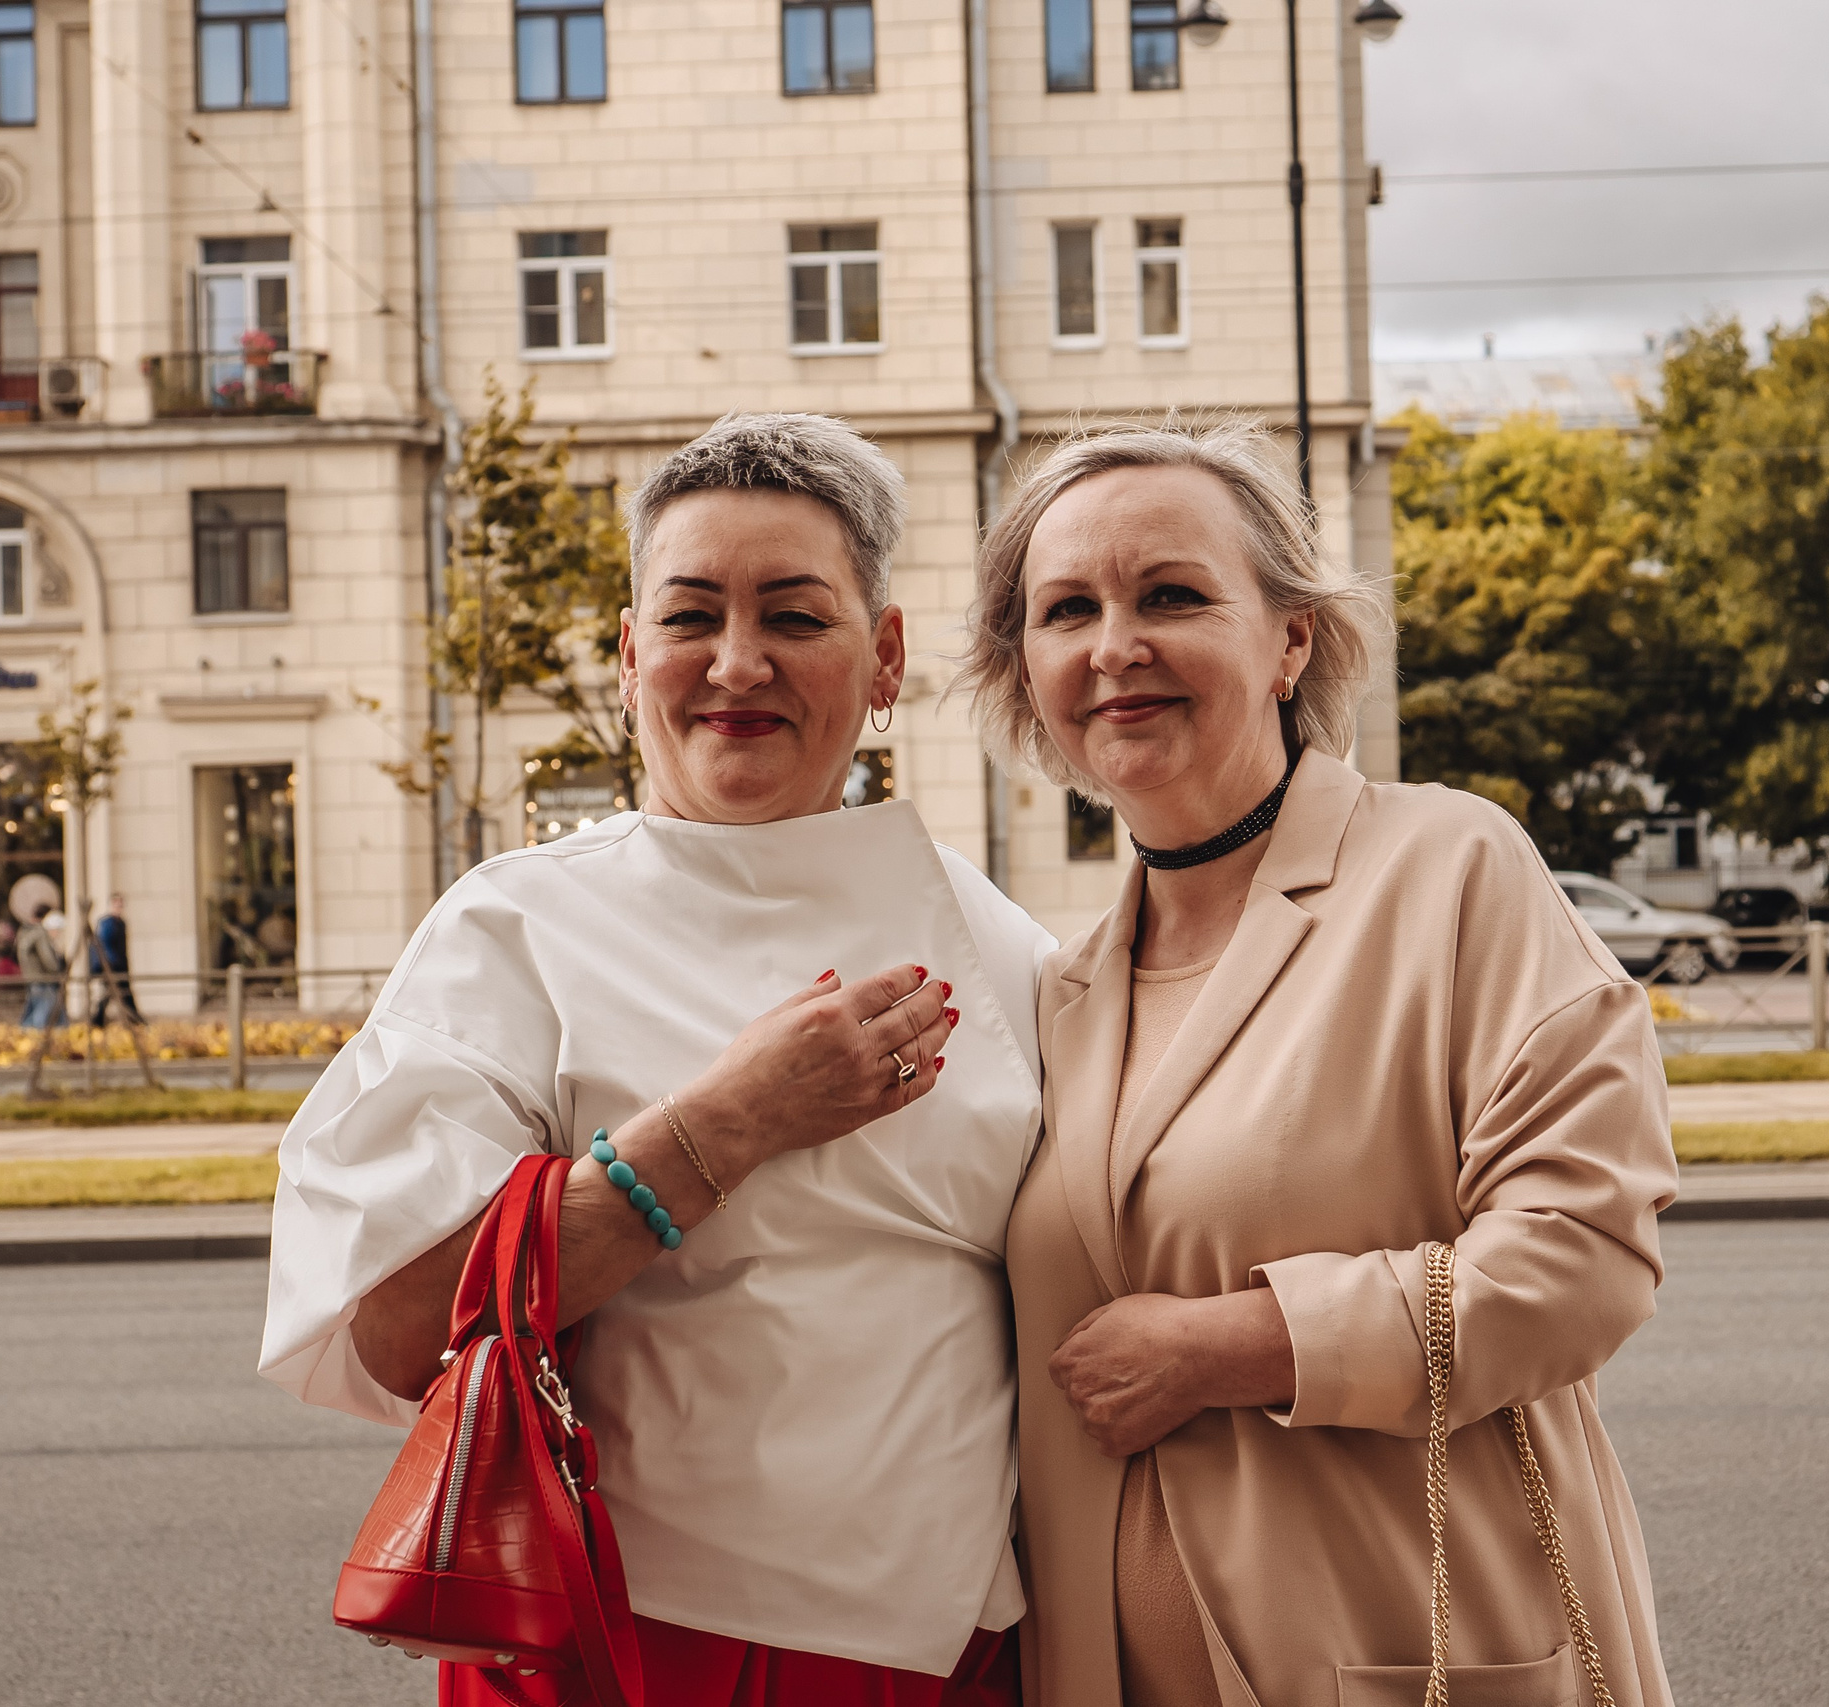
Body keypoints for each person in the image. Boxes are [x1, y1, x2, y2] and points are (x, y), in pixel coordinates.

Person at [261, 413, 1046, 1707]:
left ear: (887, 655)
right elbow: (398, 1319)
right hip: (626, 1649)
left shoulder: (1000, 936)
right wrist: (719, 1129)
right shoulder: (515, 922)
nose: (738, 664)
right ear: (631, 659)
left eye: (796, 616)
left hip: (954, 1658)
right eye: (691, 618)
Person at [959, 424, 1679, 1707]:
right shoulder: (1058, 989)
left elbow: (1585, 1255)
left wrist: (1232, 1345)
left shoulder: (1450, 868)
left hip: (1426, 1652)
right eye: (1066, 610)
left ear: (1290, 636)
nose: (1114, 645)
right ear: (1028, 670)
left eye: (1170, 595)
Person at [91, 894, 141, 1027]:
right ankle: (135, 1021)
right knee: (115, 994)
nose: (119, 908)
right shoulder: (106, 923)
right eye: (116, 905)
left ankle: (98, 1021)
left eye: (121, 905)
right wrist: (108, 965)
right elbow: (104, 946)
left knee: (119, 994)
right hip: (111, 966)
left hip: (119, 965)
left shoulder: (121, 923)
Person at [16, 910, 67, 1030]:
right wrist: (57, 969)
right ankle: (35, 1038)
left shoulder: (28, 932)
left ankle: (26, 1032)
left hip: (33, 977)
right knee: (42, 1012)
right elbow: (48, 959)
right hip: (43, 979)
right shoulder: (41, 934)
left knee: (36, 1009)